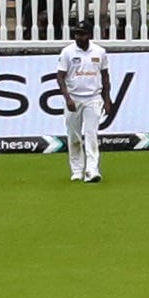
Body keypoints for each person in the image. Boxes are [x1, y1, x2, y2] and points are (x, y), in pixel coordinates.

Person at [58, 18, 113, 185]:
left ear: (89, 35)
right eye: (76, 34)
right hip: (74, 98)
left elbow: (105, 76)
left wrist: (107, 98)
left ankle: (92, 170)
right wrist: (67, 98)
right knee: (74, 136)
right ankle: (76, 171)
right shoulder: (67, 52)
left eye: (82, 34)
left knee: (91, 135)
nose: (78, 37)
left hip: (93, 98)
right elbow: (60, 77)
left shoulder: (100, 52)